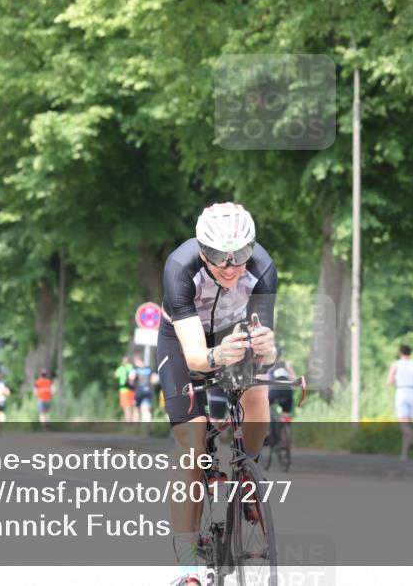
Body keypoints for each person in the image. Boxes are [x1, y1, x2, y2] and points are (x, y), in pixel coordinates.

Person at [157, 202, 278, 586]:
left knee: (257, 392)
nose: (229, 267)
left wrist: (267, 351)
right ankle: (188, 569)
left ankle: (248, 476)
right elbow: (195, 356)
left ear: (251, 249)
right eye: (218, 257)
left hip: (233, 332)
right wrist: (216, 356)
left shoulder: (263, 269)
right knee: (192, 443)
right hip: (183, 340)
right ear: (202, 250)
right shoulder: (180, 267)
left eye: (239, 256)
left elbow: (265, 348)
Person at [387, 344, 413, 460]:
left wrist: (397, 380)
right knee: (408, 424)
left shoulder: (396, 364)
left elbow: (389, 381)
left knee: (403, 425)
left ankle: (412, 434)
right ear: (411, 353)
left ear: (400, 353)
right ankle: (404, 454)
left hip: (401, 392)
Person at [266, 349, 297, 446]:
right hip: (287, 391)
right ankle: (284, 439)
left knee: (264, 408)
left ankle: (267, 433)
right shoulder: (286, 364)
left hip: (273, 392)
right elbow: (294, 378)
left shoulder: (267, 366)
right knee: (285, 414)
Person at [130, 355, 157, 424]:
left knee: (136, 409)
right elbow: (154, 380)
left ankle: (135, 427)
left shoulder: (135, 369)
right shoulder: (149, 369)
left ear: (137, 361)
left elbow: (131, 377)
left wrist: (131, 383)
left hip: (138, 392)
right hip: (148, 391)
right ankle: (149, 427)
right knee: (146, 410)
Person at [115, 356, 135, 422]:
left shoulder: (120, 368)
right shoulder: (131, 367)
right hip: (131, 389)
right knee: (132, 406)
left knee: (126, 407)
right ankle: (133, 421)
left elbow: (116, 375)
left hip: (123, 390)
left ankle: (128, 421)